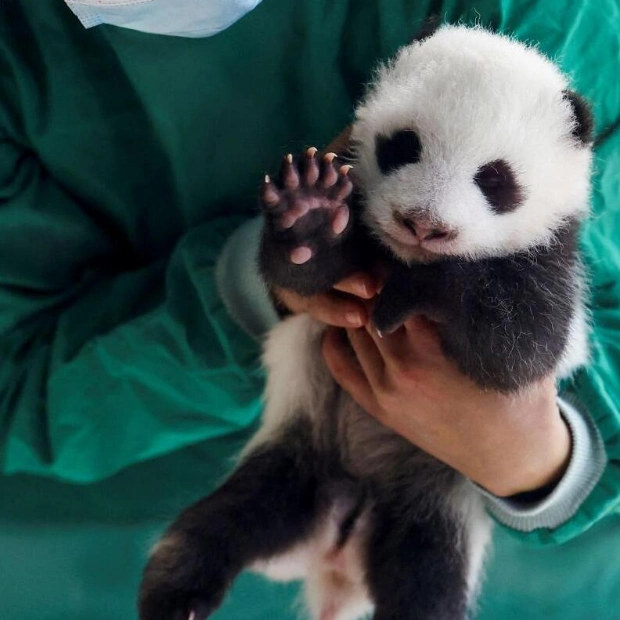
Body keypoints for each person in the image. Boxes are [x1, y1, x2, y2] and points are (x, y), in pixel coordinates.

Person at [0, 1, 618, 619]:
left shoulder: (542, 37)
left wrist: (539, 459)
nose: (428, 213)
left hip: (489, 529)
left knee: (427, 575)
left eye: (489, 182)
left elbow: (527, 349)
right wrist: (282, 264)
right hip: (104, 547)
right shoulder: (22, 54)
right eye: (406, 151)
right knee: (235, 518)